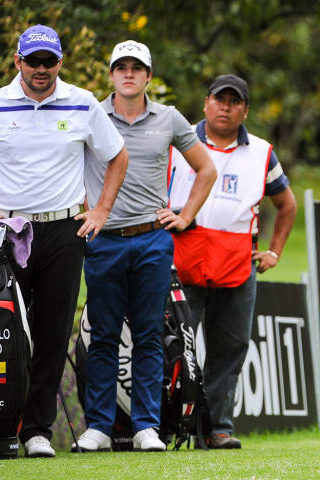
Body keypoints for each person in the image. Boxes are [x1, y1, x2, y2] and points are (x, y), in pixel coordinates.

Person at [0, 24, 128, 457]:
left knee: (51, 331)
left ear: (60, 62)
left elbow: (117, 155)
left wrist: (101, 209)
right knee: (3, 328)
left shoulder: (83, 103)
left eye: (49, 61)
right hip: (6, 234)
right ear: (18, 62)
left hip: (66, 230)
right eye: (33, 61)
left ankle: (37, 431)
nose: (41, 69)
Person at [71, 40, 216, 452]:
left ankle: (145, 427)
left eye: (137, 67)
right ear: (112, 74)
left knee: (150, 335)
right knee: (103, 336)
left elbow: (205, 169)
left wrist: (185, 216)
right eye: (121, 67)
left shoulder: (169, 118)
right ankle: (98, 427)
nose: (129, 73)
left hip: (152, 239)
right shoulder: (91, 116)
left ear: (149, 76)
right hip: (104, 240)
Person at [167, 74, 297, 449]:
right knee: (171, 347)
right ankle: (168, 427)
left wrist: (274, 251)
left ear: (245, 110)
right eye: (219, 99)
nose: (225, 107)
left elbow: (287, 205)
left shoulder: (261, 152)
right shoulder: (178, 141)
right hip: (182, 261)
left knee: (230, 349)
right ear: (206, 103)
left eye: (234, 101)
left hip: (237, 267)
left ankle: (218, 428)